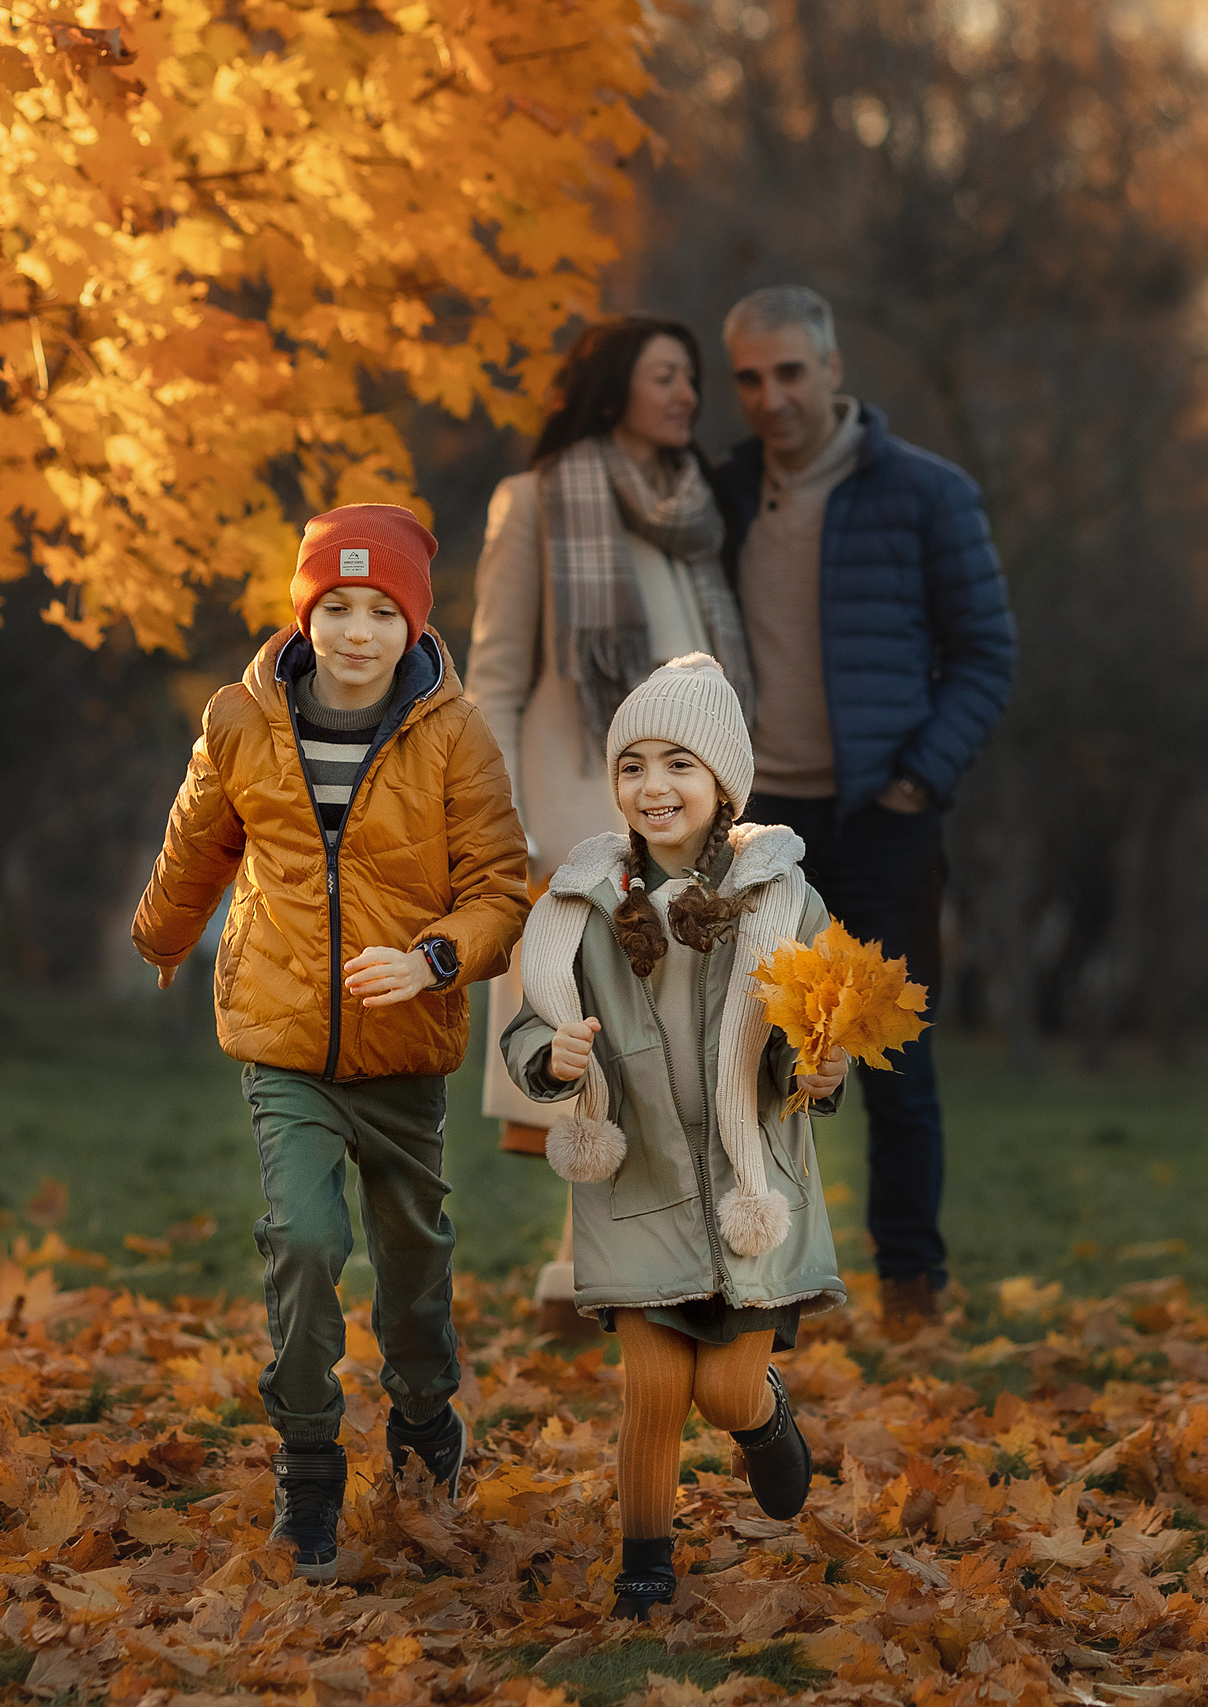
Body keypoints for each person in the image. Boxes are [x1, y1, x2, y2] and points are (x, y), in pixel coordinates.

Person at [133, 504, 529, 1579]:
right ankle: (308, 1468)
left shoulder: (454, 734)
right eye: (337, 608)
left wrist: (435, 959)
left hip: (405, 1049)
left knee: (411, 1265)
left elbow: (502, 886)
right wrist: (161, 932)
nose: (357, 632)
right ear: (306, 615)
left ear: (412, 623)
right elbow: (198, 843)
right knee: (304, 1243)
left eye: (380, 611)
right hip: (284, 1039)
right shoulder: (243, 720)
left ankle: (422, 1430)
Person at [500, 655, 849, 1621]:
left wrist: (817, 1070)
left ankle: (765, 1417)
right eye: (633, 766)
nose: (654, 786)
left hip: (748, 1188)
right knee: (655, 1384)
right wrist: (553, 1057)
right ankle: (644, 1565)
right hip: (637, 1178)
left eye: (679, 765)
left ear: (723, 783)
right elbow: (531, 1022)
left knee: (723, 1389)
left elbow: (813, 1028)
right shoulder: (580, 907)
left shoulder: (781, 899)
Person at [715, 285, 1017, 1335]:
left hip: (882, 819)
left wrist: (916, 782)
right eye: (749, 378)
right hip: (760, 825)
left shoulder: (925, 494)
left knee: (896, 1063)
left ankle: (911, 1290)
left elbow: (986, 652)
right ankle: (764, 1285)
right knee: (745, 1055)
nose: (771, 397)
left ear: (833, 369)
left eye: (790, 372)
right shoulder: (722, 492)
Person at [466, 317, 755, 1338]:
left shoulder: (698, 513)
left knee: (690, 1030)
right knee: (596, 1033)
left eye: (690, 378)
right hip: (577, 813)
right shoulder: (537, 502)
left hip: (696, 817)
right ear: (612, 387)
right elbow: (494, 680)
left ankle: (678, 1252)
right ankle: (581, 1258)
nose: (686, 394)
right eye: (665, 376)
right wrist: (506, 823)